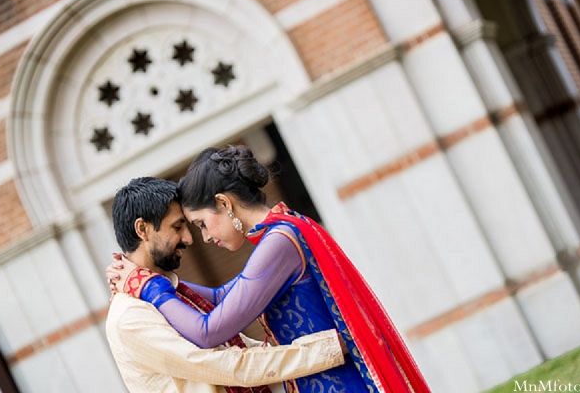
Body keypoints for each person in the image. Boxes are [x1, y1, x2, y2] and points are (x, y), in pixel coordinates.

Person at [109, 147, 431, 392]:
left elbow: (209, 332)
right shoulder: (281, 233)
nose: (202, 237)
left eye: (200, 224)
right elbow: (222, 297)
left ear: (224, 204)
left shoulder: (278, 244)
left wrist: (150, 286)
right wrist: (159, 284)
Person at [105, 176, 348, 393]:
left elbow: (235, 348)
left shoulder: (161, 291)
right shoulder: (129, 316)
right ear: (142, 229)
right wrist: (326, 349)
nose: (189, 239)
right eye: (178, 227)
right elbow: (229, 366)